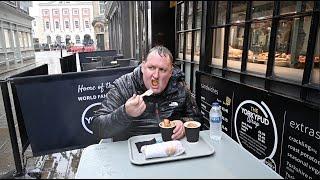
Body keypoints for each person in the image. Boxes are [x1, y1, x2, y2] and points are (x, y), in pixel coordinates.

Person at [91, 46, 201, 141]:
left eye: (162, 70)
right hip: (131, 151)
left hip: (170, 148)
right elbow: (98, 128)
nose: (156, 75)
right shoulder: (123, 86)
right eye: (151, 68)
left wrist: (183, 124)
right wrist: (125, 113)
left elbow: (196, 119)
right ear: (143, 67)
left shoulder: (179, 87)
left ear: (170, 72)